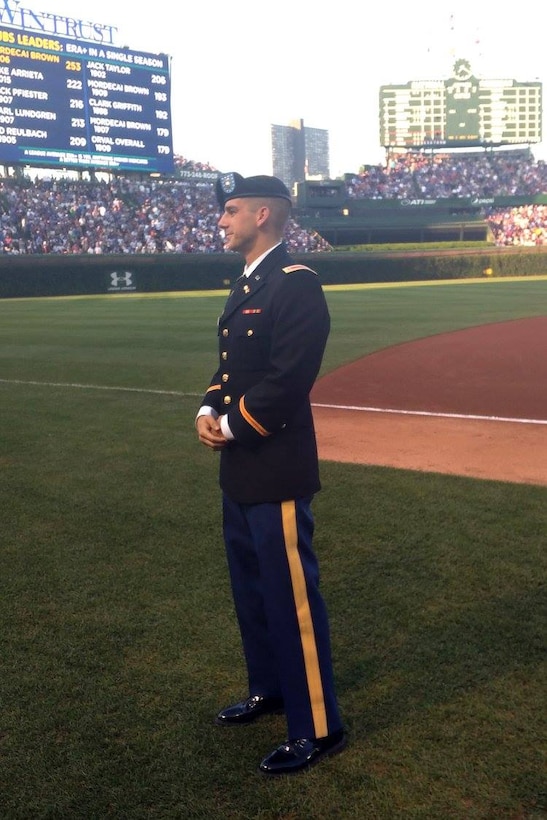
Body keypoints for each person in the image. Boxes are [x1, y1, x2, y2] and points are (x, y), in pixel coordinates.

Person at [195, 172, 346, 776]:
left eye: (230, 210)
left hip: (275, 466)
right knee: (252, 593)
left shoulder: (295, 285)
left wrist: (232, 426)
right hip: (241, 470)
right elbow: (231, 364)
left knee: (292, 601)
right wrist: (210, 405)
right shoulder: (251, 281)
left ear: (263, 215)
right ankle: (269, 690)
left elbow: (289, 379)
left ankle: (318, 727)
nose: (222, 220)